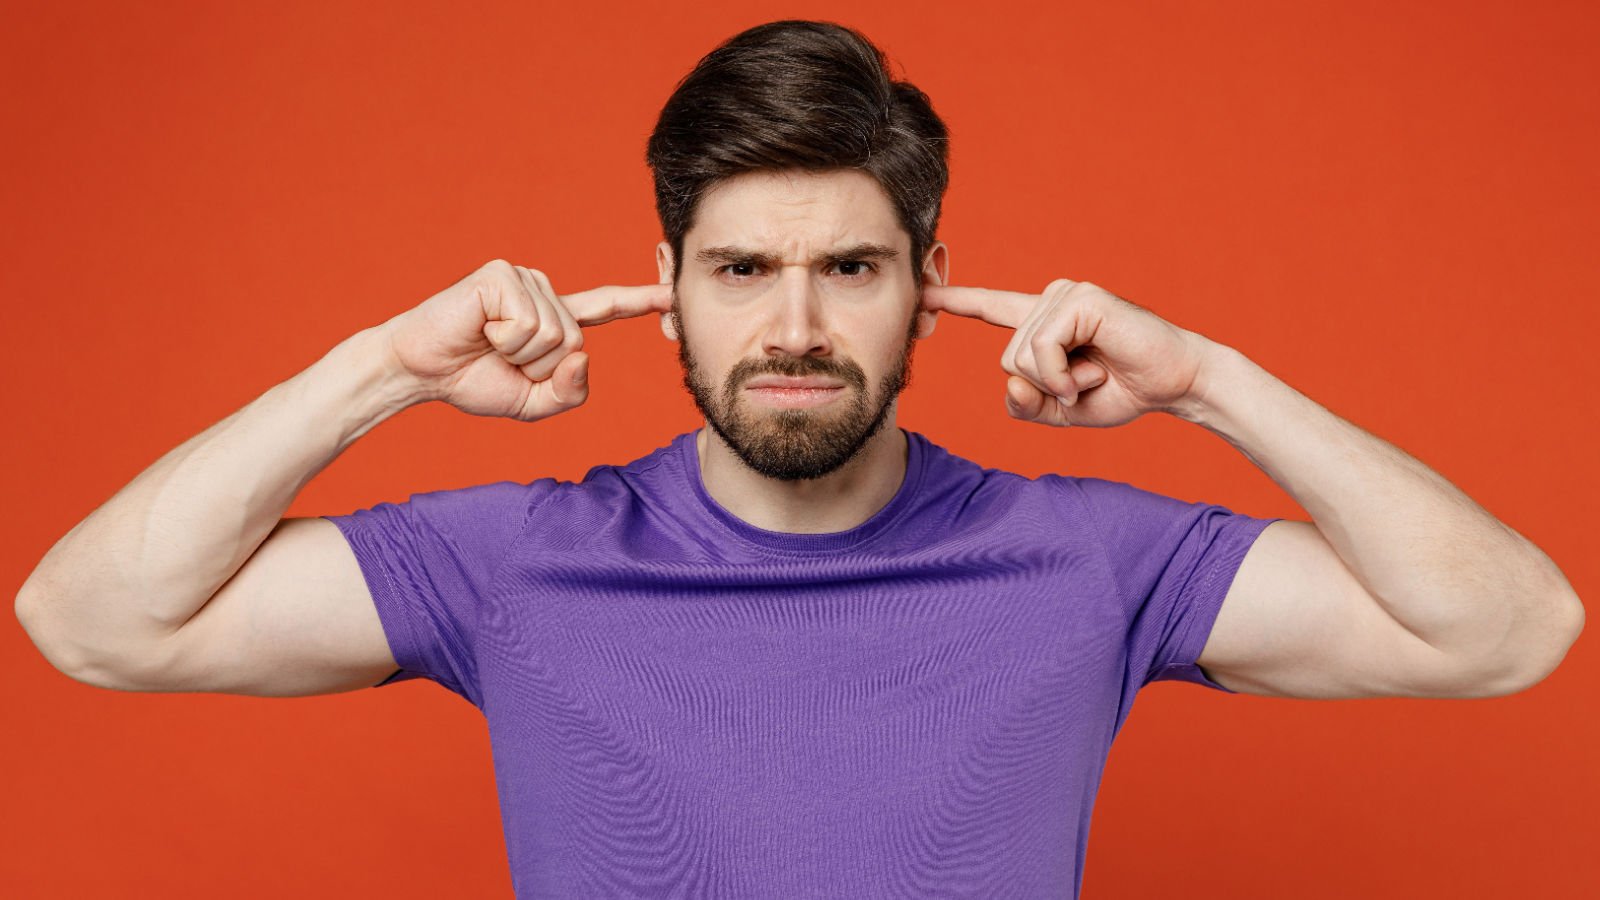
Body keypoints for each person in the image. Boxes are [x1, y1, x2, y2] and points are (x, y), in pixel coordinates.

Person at [14, 18, 1582, 900]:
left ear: (933, 283)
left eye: (851, 267)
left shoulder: (1089, 561)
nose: (797, 324)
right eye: (743, 270)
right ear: (668, 285)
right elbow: (92, 618)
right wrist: (380, 374)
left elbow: (1513, 629)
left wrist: (1214, 385)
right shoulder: (517, 562)